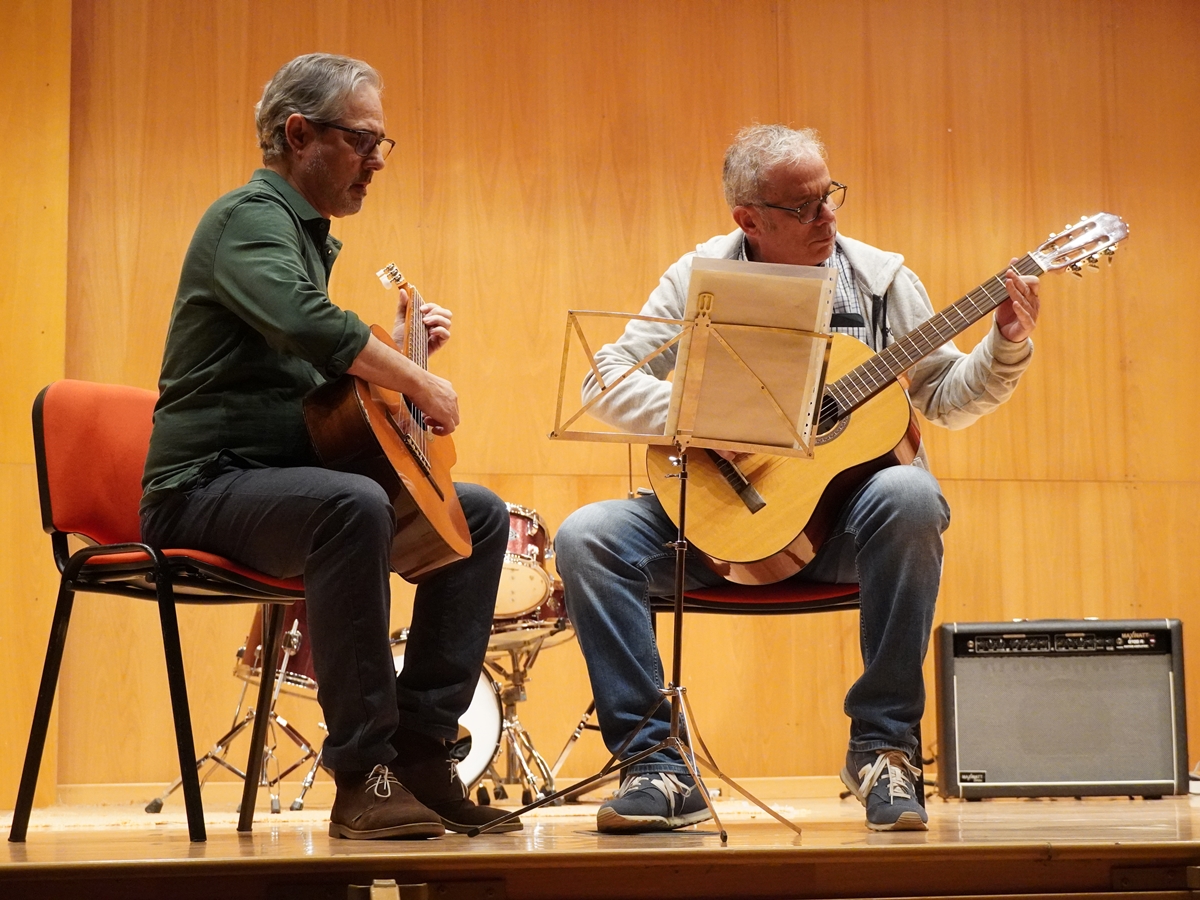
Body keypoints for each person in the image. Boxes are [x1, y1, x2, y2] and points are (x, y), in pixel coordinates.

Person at [555, 124, 1040, 833]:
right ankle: (656, 763)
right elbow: (607, 381)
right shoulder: (697, 279)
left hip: (845, 533)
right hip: (715, 521)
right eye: (804, 206)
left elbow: (943, 396)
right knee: (587, 536)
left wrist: (1006, 345)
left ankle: (883, 751)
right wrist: (712, 416)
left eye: (829, 196)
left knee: (911, 494)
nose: (828, 217)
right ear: (748, 218)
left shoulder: (881, 282)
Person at [140, 53, 519, 840]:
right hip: (203, 490)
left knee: (478, 513)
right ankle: (363, 771)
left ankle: (419, 749)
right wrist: (413, 380)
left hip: (279, 483)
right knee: (348, 504)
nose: (377, 161)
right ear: (299, 133)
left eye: (384, 143)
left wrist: (407, 358)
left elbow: (317, 385)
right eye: (361, 140)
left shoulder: (301, 239)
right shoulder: (247, 219)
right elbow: (310, 325)